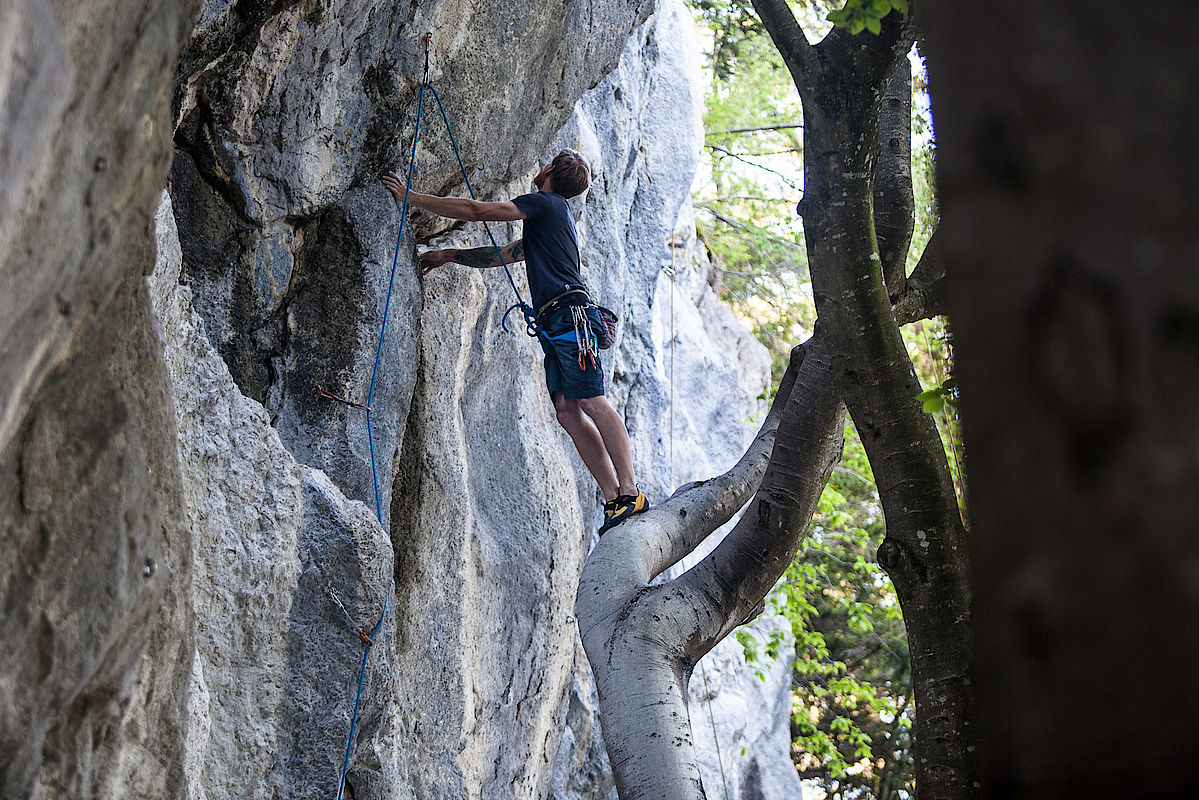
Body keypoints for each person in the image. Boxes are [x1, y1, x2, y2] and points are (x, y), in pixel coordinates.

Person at [382, 149, 647, 534]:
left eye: (546, 163)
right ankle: (613, 500)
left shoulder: (546, 203)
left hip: (571, 318)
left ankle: (631, 492)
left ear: (550, 170)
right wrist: (451, 254)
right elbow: (503, 255)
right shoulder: (551, 220)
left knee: (591, 400)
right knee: (568, 412)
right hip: (556, 323)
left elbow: (475, 211)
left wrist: (412, 197)